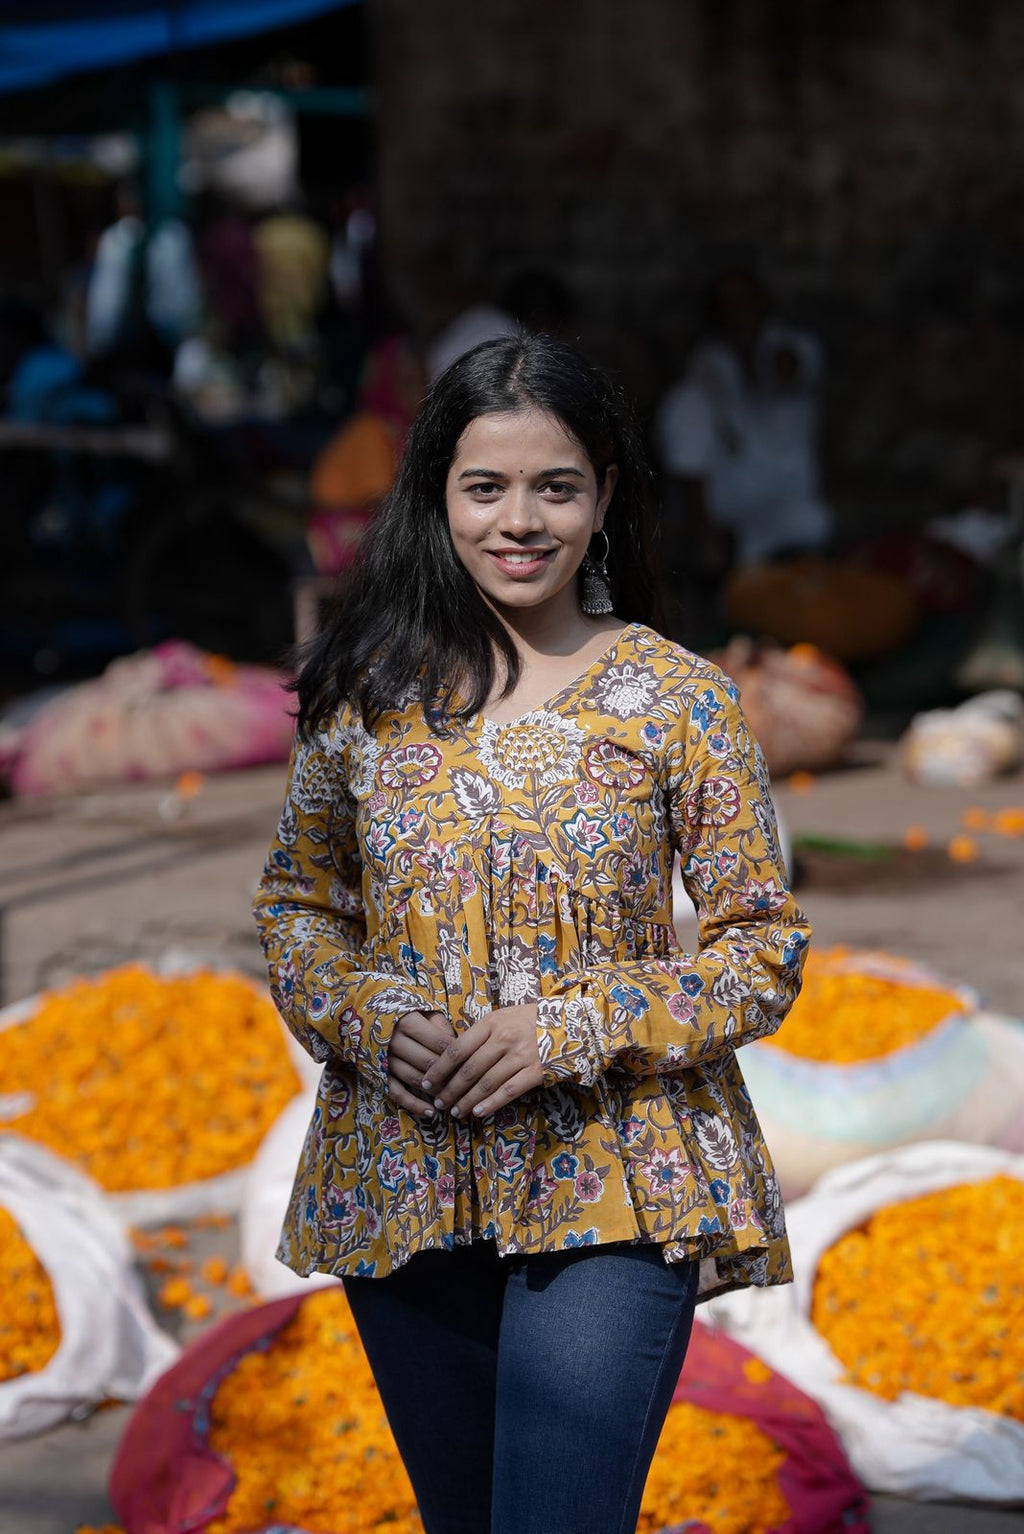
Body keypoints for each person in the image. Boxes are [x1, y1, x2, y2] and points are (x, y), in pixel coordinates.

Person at [253, 332, 811, 1534]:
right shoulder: (365, 695)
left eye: (556, 487)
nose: (521, 520)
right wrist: (366, 1017)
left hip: (618, 1170)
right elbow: (299, 905)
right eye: (485, 486)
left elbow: (760, 948)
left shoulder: (679, 699)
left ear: (604, 497)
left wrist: (572, 1025)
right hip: (401, 1170)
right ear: (436, 497)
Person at [654, 270, 834, 637]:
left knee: (812, 525)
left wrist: (758, 353)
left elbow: (791, 368)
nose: (740, 310)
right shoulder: (709, 362)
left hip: (788, 502)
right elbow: (691, 431)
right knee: (686, 404)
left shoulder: (794, 346)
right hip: (727, 505)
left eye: (747, 300)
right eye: (729, 303)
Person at [306, 335, 426, 576]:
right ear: (386, 384)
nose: (419, 393)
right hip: (342, 534)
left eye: (422, 382)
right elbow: (383, 497)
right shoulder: (372, 429)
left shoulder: (405, 429)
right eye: (407, 384)